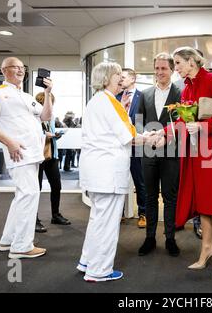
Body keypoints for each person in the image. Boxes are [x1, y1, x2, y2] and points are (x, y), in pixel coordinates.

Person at [157, 46, 212, 280]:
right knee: (204, 199)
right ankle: (208, 247)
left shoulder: (210, 80)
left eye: (177, 63)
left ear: (192, 62)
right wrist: (163, 133)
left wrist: (205, 125)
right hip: (198, 150)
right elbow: (184, 122)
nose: (175, 68)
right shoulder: (186, 87)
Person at [77, 62, 151, 282]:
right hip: (107, 170)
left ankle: (87, 261)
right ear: (107, 77)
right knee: (107, 222)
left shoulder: (98, 100)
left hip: (97, 169)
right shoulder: (111, 103)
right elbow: (130, 137)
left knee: (98, 218)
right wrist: (153, 137)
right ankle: (98, 271)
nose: (122, 78)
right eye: (118, 74)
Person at [0, 56, 53, 259]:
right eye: (15, 67)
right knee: (29, 195)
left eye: (22, 68)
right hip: (19, 154)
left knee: (22, 197)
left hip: (33, 155)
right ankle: (21, 246)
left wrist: (47, 93)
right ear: (4, 71)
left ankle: (8, 240)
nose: (20, 71)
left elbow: (45, 117)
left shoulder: (27, 96)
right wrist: (9, 142)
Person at [136, 53, 181, 257]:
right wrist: (146, 136)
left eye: (163, 68)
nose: (159, 72)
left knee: (170, 197)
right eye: (156, 68)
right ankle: (150, 238)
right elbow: (138, 121)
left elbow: (184, 121)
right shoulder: (144, 94)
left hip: (171, 151)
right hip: (148, 150)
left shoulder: (181, 93)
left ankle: (170, 238)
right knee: (150, 196)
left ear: (171, 70)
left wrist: (167, 136)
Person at [35, 92, 71, 234]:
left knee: (56, 185)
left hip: (51, 155)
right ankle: (34, 219)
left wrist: (56, 135)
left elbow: (51, 134)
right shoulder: (34, 115)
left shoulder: (51, 116)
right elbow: (33, 133)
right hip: (38, 156)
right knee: (35, 188)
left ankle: (55, 215)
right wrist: (45, 135)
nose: (50, 105)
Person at [117, 68, 147, 228]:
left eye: (123, 77)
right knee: (119, 179)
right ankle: (119, 213)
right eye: (119, 77)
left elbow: (146, 120)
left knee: (140, 181)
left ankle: (143, 213)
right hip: (119, 147)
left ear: (133, 78)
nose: (120, 80)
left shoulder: (142, 96)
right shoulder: (114, 97)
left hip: (137, 145)